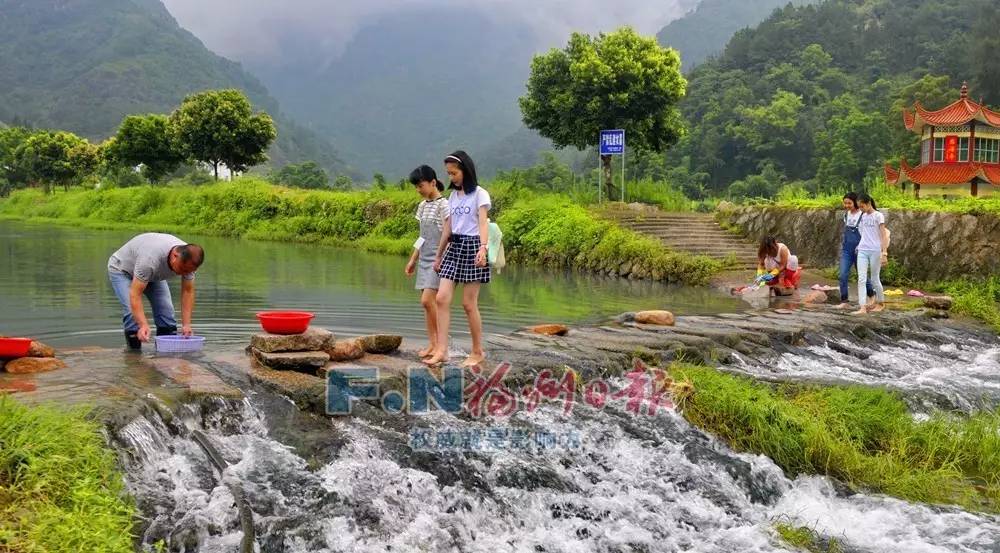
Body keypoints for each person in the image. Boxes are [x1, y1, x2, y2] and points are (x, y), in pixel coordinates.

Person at [424, 151, 491, 367]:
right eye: (449, 173)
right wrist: (439, 255)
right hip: (454, 246)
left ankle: (477, 351)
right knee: (442, 298)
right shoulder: (453, 197)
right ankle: (442, 350)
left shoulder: (480, 194)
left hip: (473, 246)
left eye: (454, 173)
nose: (451, 177)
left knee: (468, 304)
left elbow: (483, 223)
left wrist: (483, 248)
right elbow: (448, 228)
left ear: (465, 171)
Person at [107, 233, 204, 349]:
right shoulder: (150, 259)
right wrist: (143, 324)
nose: (184, 273)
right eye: (182, 269)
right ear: (175, 255)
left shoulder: (189, 262)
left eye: (188, 271)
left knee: (166, 312)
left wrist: (186, 325)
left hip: (153, 274)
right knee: (132, 314)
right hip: (122, 270)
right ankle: (133, 358)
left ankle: (165, 354)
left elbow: (188, 291)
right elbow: (135, 294)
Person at [404, 165, 450, 359]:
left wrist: (441, 258)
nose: (418, 190)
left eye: (420, 185)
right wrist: (413, 259)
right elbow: (422, 236)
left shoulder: (444, 205)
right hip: (424, 258)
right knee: (426, 304)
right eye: (416, 186)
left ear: (433, 182)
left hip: (439, 258)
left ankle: (441, 346)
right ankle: (432, 344)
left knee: (427, 301)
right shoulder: (423, 206)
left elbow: (448, 235)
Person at [837, 192, 875, 309]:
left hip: (860, 250)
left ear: (855, 203)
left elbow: (866, 233)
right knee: (843, 274)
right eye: (845, 203)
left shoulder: (862, 215)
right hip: (847, 250)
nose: (847, 205)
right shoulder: (846, 215)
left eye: (849, 203)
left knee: (862, 275)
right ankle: (844, 300)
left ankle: (871, 295)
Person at [852, 193, 888, 315]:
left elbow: (883, 235)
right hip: (862, 250)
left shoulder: (878, 216)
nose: (861, 209)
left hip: (875, 250)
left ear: (868, 204)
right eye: (859, 207)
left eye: (862, 206)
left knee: (874, 278)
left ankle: (880, 303)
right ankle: (862, 307)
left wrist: (884, 253)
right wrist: (860, 245)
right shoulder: (863, 217)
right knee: (861, 279)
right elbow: (863, 233)